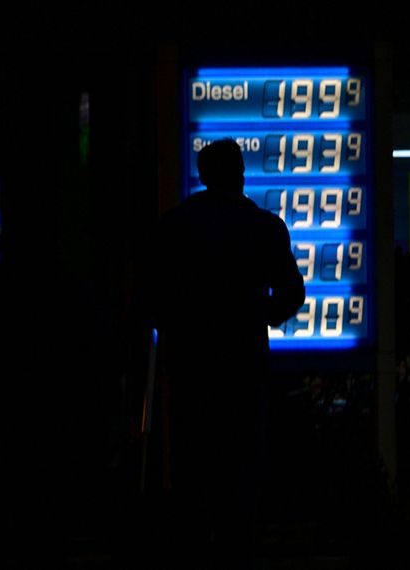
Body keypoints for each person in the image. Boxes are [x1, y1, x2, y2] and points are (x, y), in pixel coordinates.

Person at [149, 137, 305, 567]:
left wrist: (180, 327)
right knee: (242, 478)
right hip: (244, 372)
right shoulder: (263, 226)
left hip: (190, 373)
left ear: (202, 176)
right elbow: (292, 292)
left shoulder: (174, 226)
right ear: (240, 174)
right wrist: (259, 317)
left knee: (193, 475)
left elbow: (151, 300)